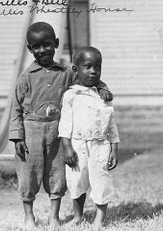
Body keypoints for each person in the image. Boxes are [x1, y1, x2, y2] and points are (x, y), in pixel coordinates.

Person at [9, 22, 113, 230]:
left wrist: (102, 87)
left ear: (56, 43)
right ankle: (29, 216)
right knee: (28, 173)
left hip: (59, 131)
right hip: (31, 130)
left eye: (46, 45)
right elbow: (16, 108)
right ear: (30, 49)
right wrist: (18, 137)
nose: (42, 51)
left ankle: (54, 216)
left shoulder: (67, 72)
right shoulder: (25, 77)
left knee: (57, 173)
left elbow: (88, 78)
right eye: (36, 47)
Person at [59, 46, 120, 231]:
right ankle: (78, 216)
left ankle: (99, 220)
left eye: (97, 67)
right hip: (77, 146)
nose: (93, 71)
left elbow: (111, 124)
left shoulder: (103, 96)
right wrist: (67, 146)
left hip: (100, 145)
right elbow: (65, 124)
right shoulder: (70, 95)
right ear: (76, 69)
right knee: (77, 181)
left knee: (100, 180)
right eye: (88, 66)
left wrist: (114, 148)